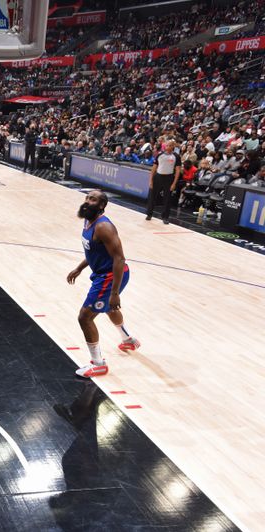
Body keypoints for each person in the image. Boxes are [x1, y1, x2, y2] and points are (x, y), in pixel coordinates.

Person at [67, 190, 139, 378]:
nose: (87, 201)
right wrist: (80, 267)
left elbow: (119, 258)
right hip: (102, 273)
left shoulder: (104, 227)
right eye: (87, 197)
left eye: (93, 199)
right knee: (108, 308)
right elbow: (94, 251)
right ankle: (128, 340)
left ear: (101, 206)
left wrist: (115, 292)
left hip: (111, 276)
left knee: (85, 317)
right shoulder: (88, 220)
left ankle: (98, 364)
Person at [145, 140, 181, 224]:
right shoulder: (159, 155)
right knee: (152, 196)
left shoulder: (176, 156)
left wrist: (174, 183)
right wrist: (150, 180)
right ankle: (149, 214)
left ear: (173, 147)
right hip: (158, 177)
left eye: (170, 145)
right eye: (167, 145)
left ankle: (165, 217)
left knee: (167, 199)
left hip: (169, 178)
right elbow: (154, 168)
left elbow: (178, 170)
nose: (167, 147)